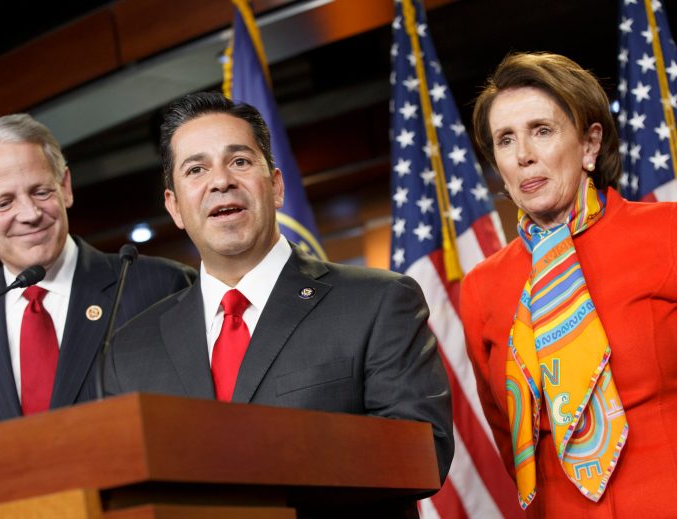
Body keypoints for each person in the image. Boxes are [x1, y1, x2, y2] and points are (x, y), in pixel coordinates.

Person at [103, 92, 453, 516]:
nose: (220, 181)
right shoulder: (130, 350)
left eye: (239, 162)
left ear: (276, 186)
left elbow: (423, 454)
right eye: (196, 169)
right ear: (175, 207)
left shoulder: (378, 302)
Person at [462, 52, 677, 518]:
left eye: (542, 130)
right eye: (505, 140)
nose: (524, 155)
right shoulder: (482, 286)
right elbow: (505, 431)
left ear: (589, 144)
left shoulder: (668, 233)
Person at [0, 114, 196, 434]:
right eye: (4, 202)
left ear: (65, 187)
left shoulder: (157, 287)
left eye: (40, 191)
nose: (30, 214)